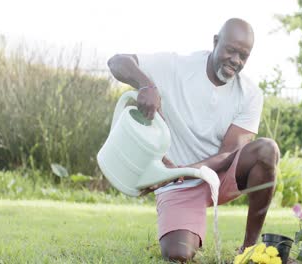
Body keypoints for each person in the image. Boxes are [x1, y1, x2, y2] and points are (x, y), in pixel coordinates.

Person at [107, 18, 279, 262]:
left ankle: (249, 250)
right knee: (178, 254)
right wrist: (146, 85)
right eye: (231, 50)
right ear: (216, 42)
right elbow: (117, 62)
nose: (236, 61)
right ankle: (185, 227)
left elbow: (229, 153)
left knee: (267, 150)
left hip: (219, 173)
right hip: (176, 183)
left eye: (243, 56)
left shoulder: (250, 94)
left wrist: (183, 171)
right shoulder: (177, 66)